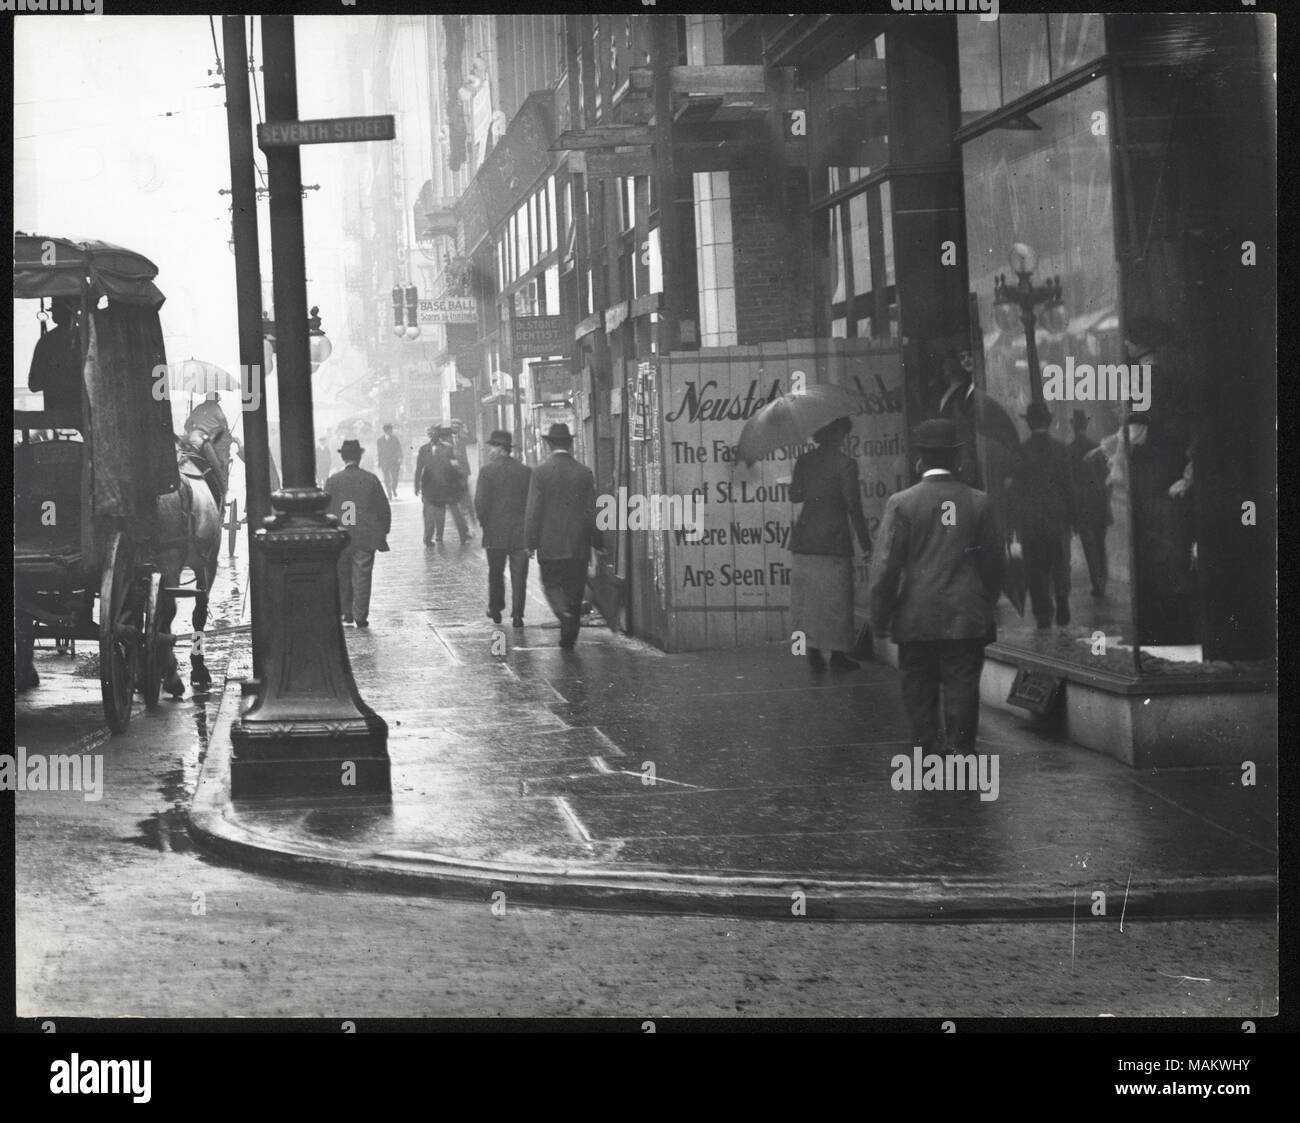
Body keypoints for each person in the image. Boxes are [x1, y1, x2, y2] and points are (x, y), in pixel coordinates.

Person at [870, 418, 1004, 755]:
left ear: (920, 460)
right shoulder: (980, 502)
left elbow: (886, 567)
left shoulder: (901, 503)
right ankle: (961, 754)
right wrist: (985, 601)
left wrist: (880, 616)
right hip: (965, 616)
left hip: (916, 617)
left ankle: (927, 755)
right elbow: (994, 564)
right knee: (963, 687)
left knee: (918, 691)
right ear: (958, 458)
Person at [788, 414, 873, 671]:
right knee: (838, 598)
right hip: (834, 539)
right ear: (837, 436)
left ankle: (813, 650)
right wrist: (866, 543)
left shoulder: (804, 460)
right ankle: (837, 655)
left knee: (811, 599)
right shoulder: (846, 464)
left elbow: (795, 496)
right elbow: (853, 505)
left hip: (805, 538)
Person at [524, 423, 602, 650]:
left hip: (550, 544)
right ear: (570, 443)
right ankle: (569, 638)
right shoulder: (584, 472)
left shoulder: (540, 472)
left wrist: (530, 542)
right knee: (575, 589)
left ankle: (563, 613)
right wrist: (598, 542)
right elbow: (592, 512)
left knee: (551, 584)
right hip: (578, 544)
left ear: (549, 445)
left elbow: (533, 510)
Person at [1006, 401, 1074, 629]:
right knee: (1060, 562)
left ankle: (1043, 614)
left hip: (1031, 521)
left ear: (1029, 423)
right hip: (1057, 518)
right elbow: (1068, 487)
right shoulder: (1061, 448)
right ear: (1048, 421)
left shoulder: (1020, 451)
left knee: (1035, 568)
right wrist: (1072, 518)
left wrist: (1013, 524)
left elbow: (1014, 491)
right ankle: (1062, 598)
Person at [325, 439, 391, 629]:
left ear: (342, 457)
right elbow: (383, 509)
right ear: (359, 456)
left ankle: (347, 614)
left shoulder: (333, 480)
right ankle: (360, 615)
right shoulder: (371, 479)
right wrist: (382, 532)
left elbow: (326, 508)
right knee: (362, 577)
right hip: (365, 536)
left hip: (341, 537)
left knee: (342, 574)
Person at [475, 429, 532, 627]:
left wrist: (485, 524)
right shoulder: (525, 471)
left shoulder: (487, 471)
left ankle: (496, 608)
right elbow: (531, 503)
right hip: (520, 533)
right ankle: (517, 615)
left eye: (491, 447)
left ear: (500, 449)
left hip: (495, 532)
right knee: (519, 575)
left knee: (495, 572)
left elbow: (480, 503)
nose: (489, 451)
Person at [1066, 409, 1110, 598]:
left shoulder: (1069, 451)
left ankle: (1098, 583)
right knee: (1100, 545)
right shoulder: (1097, 448)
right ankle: (1103, 581)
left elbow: (1068, 483)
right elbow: (1108, 478)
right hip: (1099, 505)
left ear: (1073, 426)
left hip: (1081, 506)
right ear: (1086, 424)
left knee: (1090, 547)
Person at [28, 296, 83, 422]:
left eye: (54, 310)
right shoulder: (88, 337)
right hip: (84, 416)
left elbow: (34, 385)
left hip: (55, 417)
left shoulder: (46, 342)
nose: (53, 313)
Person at [418, 427, 471, 546]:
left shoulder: (442, 448)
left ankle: (433, 537)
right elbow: (454, 466)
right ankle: (460, 534)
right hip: (443, 486)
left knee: (439, 512)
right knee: (449, 511)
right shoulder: (443, 448)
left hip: (444, 486)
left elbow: (454, 466)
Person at [182, 392, 232, 504]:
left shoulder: (198, 408)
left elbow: (186, 425)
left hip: (193, 440)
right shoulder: (216, 408)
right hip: (207, 442)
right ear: (215, 400)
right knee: (219, 466)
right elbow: (224, 425)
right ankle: (222, 490)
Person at [377, 423, 402, 499]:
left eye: (391, 430)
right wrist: (379, 462)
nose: (391, 431)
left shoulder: (395, 439)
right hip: (384, 462)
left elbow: (399, 449)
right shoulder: (379, 440)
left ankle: (393, 488)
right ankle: (389, 492)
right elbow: (379, 452)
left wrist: (400, 458)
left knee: (395, 478)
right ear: (385, 431)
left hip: (394, 461)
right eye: (389, 430)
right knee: (386, 478)